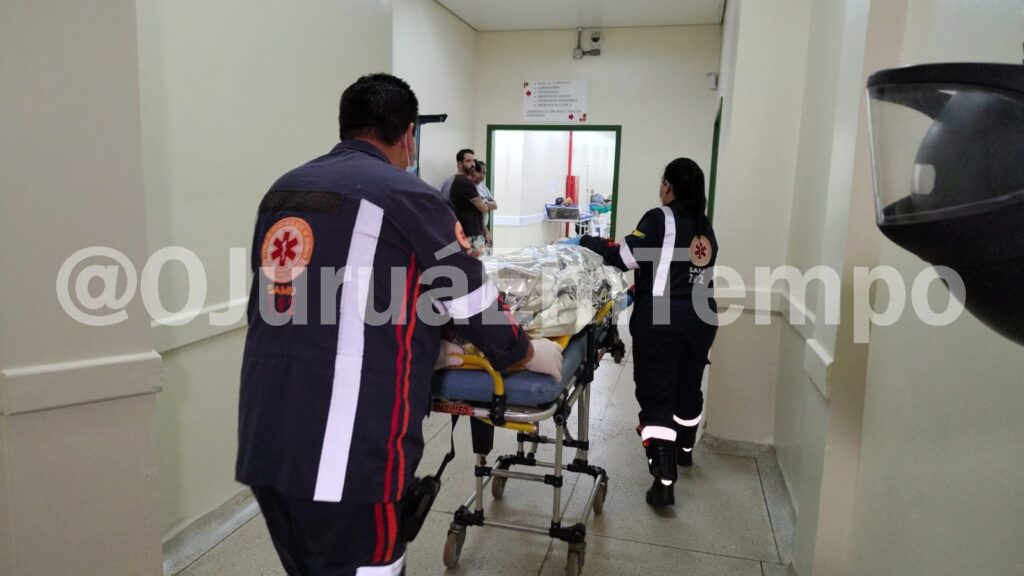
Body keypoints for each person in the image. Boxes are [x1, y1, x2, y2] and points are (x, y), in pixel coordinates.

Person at [236, 73, 563, 575]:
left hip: (267, 443)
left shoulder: (284, 190)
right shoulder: (407, 195)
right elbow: (473, 300)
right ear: (409, 134)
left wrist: (429, 338)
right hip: (348, 459)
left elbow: (327, 297)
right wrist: (527, 353)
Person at [562, 158, 718, 507]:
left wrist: (584, 240)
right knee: (689, 383)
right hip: (702, 318)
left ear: (668, 186)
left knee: (657, 392)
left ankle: (663, 482)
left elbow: (624, 257)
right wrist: (637, 291)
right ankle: (685, 449)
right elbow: (675, 272)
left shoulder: (661, 218)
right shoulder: (704, 226)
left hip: (662, 320)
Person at [448, 165, 491, 257]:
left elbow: (479, 213)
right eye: (479, 172)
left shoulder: (478, 188)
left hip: (474, 235)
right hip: (468, 235)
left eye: (484, 173)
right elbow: (484, 208)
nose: (481, 176)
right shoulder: (462, 184)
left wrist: (486, 232)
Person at [473, 160, 496, 254]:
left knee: (484, 255)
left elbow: (495, 205)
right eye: (480, 172)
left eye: (484, 173)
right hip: (475, 230)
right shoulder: (470, 188)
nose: (483, 175)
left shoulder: (483, 187)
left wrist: (484, 203)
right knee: (479, 256)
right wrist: (486, 233)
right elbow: (477, 214)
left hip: (483, 229)